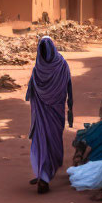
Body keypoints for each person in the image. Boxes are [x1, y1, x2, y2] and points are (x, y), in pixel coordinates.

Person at [26, 36, 74, 194]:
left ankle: (42, 173)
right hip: (55, 112)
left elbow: (31, 92)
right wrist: (70, 106)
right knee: (51, 142)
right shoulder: (61, 65)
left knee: (42, 143)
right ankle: (44, 176)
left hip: (42, 114)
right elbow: (68, 87)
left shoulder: (38, 68)